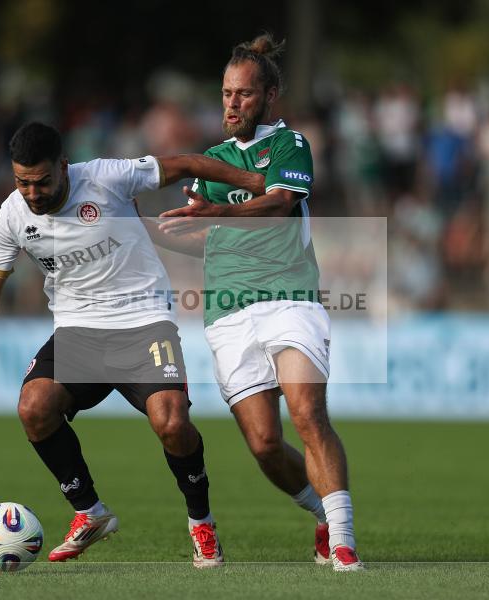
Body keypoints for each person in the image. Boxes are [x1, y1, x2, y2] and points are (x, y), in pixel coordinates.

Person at [0, 122, 265, 568]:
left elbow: (187, 163)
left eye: (42, 181)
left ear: (64, 167)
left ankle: (201, 524)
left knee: (172, 422)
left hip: (144, 321)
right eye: (22, 182)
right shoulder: (13, 215)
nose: (33, 193)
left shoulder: (107, 177)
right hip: (79, 331)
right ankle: (89, 513)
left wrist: (256, 182)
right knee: (34, 407)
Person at [153, 34, 364, 571]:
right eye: (226, 93)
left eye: (243, 94)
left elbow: (279, 204)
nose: (231, 103)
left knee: (307, 412)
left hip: (290, 298)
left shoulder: (290, 145)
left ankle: (343, 541)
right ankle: (321, 516)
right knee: (266, 444)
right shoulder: (212, 162)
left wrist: (212, 215)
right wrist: (166, 232)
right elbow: (206, 238)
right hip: (227, 311)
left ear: (269, 95)